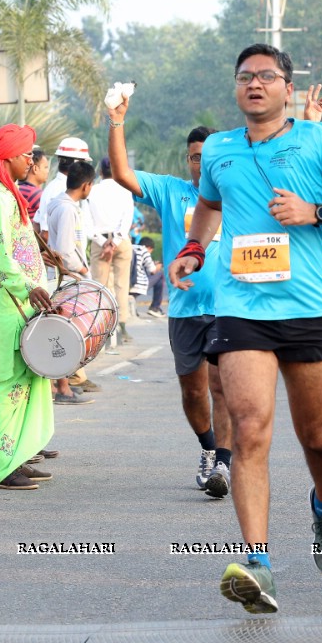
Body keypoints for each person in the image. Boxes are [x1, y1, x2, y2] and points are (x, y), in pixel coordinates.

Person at [168, 44, 322, 613]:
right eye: (245, 77)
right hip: (241, 308)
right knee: (248, 426)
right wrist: (194, 248)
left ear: (288, 88)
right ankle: (257, 563)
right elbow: (209, 209)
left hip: (308, 306)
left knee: (316, 436)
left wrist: (313, 211)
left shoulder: (321, 141)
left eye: (266, 76)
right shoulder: (218, 149)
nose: (255, 85)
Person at [105, 97, 233, 497]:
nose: (200, 163)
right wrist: (116, 122)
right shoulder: (170, 191)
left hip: (230, 307)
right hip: (184, 309)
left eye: (207, 156)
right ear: (188, 160)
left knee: (221, 388)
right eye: (195, 157)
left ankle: (225, 466)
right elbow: (123, 173)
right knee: (193, 392)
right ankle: (209, 449)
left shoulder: (238, 192)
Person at [0, 124, 56, 490]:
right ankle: (3, 466)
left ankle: (17, 456)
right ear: (9, 158)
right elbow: (1, 254)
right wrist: (28, 287)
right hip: (5, 301)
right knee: (7, 380)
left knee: (27, 376)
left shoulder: (4, 193)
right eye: (27, 155)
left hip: (15, 299)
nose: (32, 161)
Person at [43, 160, 99, 406]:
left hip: (64, 276)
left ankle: (61, 385)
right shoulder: (66, 209)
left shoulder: (65, 205)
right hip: (65, 278)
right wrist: (82, 269)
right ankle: (61, 387)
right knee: (64, 333)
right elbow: (65, 250)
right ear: (86, 185)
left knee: (61, 333)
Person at [88, 156, 135, 346]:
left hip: (99, 241)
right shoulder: (125, 190)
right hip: (121, 241)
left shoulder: (93, 190)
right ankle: (122, 327)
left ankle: (106, 328)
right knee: (122, 284)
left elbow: (87, 221)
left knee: (101, 286)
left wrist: (104, 242)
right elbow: (127, 219)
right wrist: (114, 242)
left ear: (100, 172)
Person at [35, 138, 91, 241]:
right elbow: (46, 234)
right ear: (76, 164)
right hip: (65, 254)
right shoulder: (63, 190)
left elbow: (37, 223)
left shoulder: (53, 187)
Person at [18, 147, 50, 227]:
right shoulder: (36, 194)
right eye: (45, 167)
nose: (48, 171)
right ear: (35, 169)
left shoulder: (20, 188)